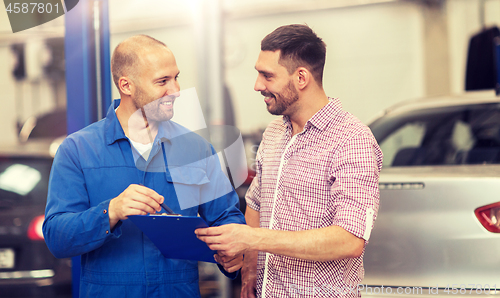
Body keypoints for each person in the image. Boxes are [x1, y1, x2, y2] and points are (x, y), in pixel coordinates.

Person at [43, 35, 245, 298]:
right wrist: (111, 211)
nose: (175, 90)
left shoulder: (194, 148)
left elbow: (226, 217)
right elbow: (57, 236)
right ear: (126, 85)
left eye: (176, 77)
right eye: (162, 81)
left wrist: (232, 254)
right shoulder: (78, 151)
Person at [195, 24, 383, 298]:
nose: (257, 85)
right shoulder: (273, 133)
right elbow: (257, 205)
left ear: (301, 78)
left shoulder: (352, 140)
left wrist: (253, 239)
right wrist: (249, 270)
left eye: (267, 75)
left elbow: (350, 240)